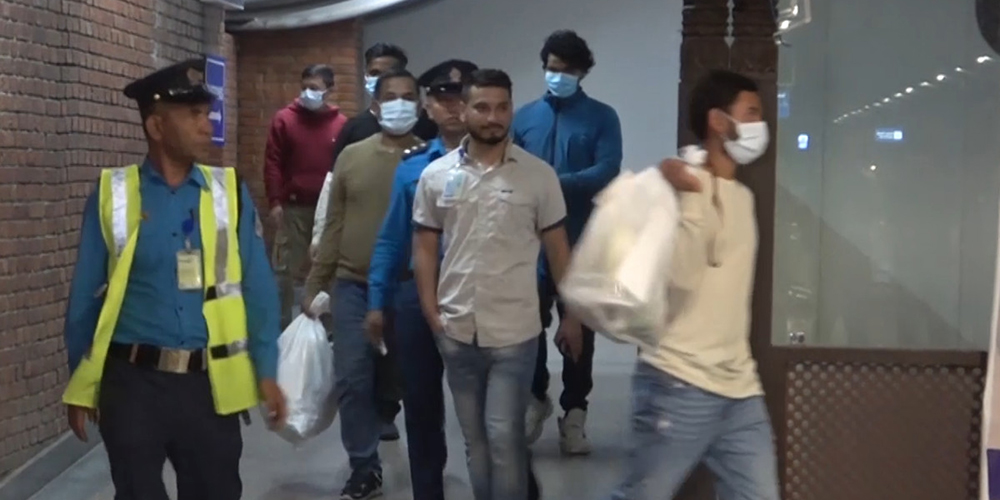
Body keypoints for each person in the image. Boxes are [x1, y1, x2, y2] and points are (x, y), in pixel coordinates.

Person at [61, 58, 287, 500]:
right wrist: (81, 384)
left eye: (207, 113)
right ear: (157, 126)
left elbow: (257, 289)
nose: (207, 124)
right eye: (194, 114)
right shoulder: (113, 194)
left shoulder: (229, 192)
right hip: (131, 384)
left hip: (208, 385)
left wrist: (267, 369)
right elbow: (85, 299)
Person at [412, 68, 581, 500]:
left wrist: (572, 315)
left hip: (514, 333)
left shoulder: (538, 176)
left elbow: (558, 251)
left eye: (502, 107)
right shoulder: (436, 175)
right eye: (483, 107)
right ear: (464, 110)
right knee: (477, 443)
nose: (493, 117)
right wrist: (431, 311)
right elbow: (425, 247)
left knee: (504, 438)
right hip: (456, 330)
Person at [610, 69, 779, 500]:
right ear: (719, 121)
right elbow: (680, 279)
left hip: (739, 387)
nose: (761, 125)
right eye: (751, 113)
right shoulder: (677, 189)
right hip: (678, 381)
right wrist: (689, 196)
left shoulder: (742, 197)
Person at [302, 67, 424, 500]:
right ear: (376, 104)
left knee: (407, 381)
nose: (399, 104)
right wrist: (315, 283)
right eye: (391, 96)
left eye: (408, 97)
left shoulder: (429, 161)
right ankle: (363, 466)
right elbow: (334, 224)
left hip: (410, 288)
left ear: (419, 105)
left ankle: (421, 463)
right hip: (352, 285)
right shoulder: (352, 157)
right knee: (353, 378)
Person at [365, 58, 478, 500]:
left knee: (486, 410)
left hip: (477, 291)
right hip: (416, 294)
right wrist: (377, 300)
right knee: (421, 405)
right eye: (443, 99)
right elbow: (391, 238)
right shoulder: (413, 166)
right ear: (428, 106)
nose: (453, 107)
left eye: (461, 98)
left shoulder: (502, 162)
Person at [512, 29, 623, 454]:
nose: (558, 76)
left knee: (580, 331)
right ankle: (535, 396)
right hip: (528, 243)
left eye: (568, 70)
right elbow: (508, 168)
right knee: (527, 325)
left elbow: (607, 169)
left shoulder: (601, 117)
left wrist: (552, 184)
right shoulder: (525, 117)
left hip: (581, 240)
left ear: (582, 72)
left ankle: (574, 412)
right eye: (552, 68)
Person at [264, 64, 347, 329]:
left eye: (315, 88)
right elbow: (273, 162)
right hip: (293, 208)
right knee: (286, 272)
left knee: (328, 269)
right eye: (305, 87)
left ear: (329, 90)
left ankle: (329, 330)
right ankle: (283, 329)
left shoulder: (341, 125)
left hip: (329, 211)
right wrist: (275, 201)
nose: (308, 93)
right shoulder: (284, 119)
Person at [330, 43, 437, 167]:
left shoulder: (427, 124)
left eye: (389, 73)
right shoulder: (353, 128)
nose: (381, 79)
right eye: (375, 73)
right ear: (366, 75)